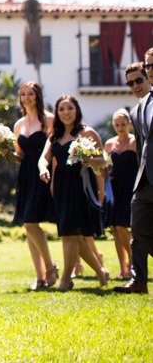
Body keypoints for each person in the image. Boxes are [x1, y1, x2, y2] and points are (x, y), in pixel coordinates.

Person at [39, 95, 110, 290]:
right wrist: (43, 169)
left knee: (71, 233)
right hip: (61, 186)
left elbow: (102, 160)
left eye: (69, 108)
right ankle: (101, 271)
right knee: (74, 235)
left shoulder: (88, 133)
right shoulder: (54, 135)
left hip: (80, 186)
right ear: (57, 113)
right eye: (61, 109)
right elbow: (43, 158)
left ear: (76, 110)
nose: (66, 113)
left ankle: (65, 280)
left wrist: (88, 159)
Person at [10, 82, 58, 290]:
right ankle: (39, 277)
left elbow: (54, 149)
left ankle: (50, 267)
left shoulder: (49, 120)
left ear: (38, 96)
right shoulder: (19, 124)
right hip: (25, 174)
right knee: (28, 225)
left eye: (30, 94)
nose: (26, 98)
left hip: (43, 174)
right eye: (23, 95)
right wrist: (6, 152)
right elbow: (19, 156)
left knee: (30, 223)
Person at [115, 54, 153, 294]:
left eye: (139, 79)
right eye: (130, 83)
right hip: (145, 179)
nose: (135, 86)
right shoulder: (140, 107)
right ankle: (138, 280)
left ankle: (138, 279)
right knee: (137, 228)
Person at [104, 108, 138, 280]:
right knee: (116, 229)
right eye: (117, 125)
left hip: (132, 187)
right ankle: (123, 267)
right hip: (115, 187)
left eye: (123, 124)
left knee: (121, 224)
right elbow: (105, 165)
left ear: (129, 124)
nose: (120, 128)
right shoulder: (109, 144)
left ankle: (133, 261)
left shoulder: (136, 142)